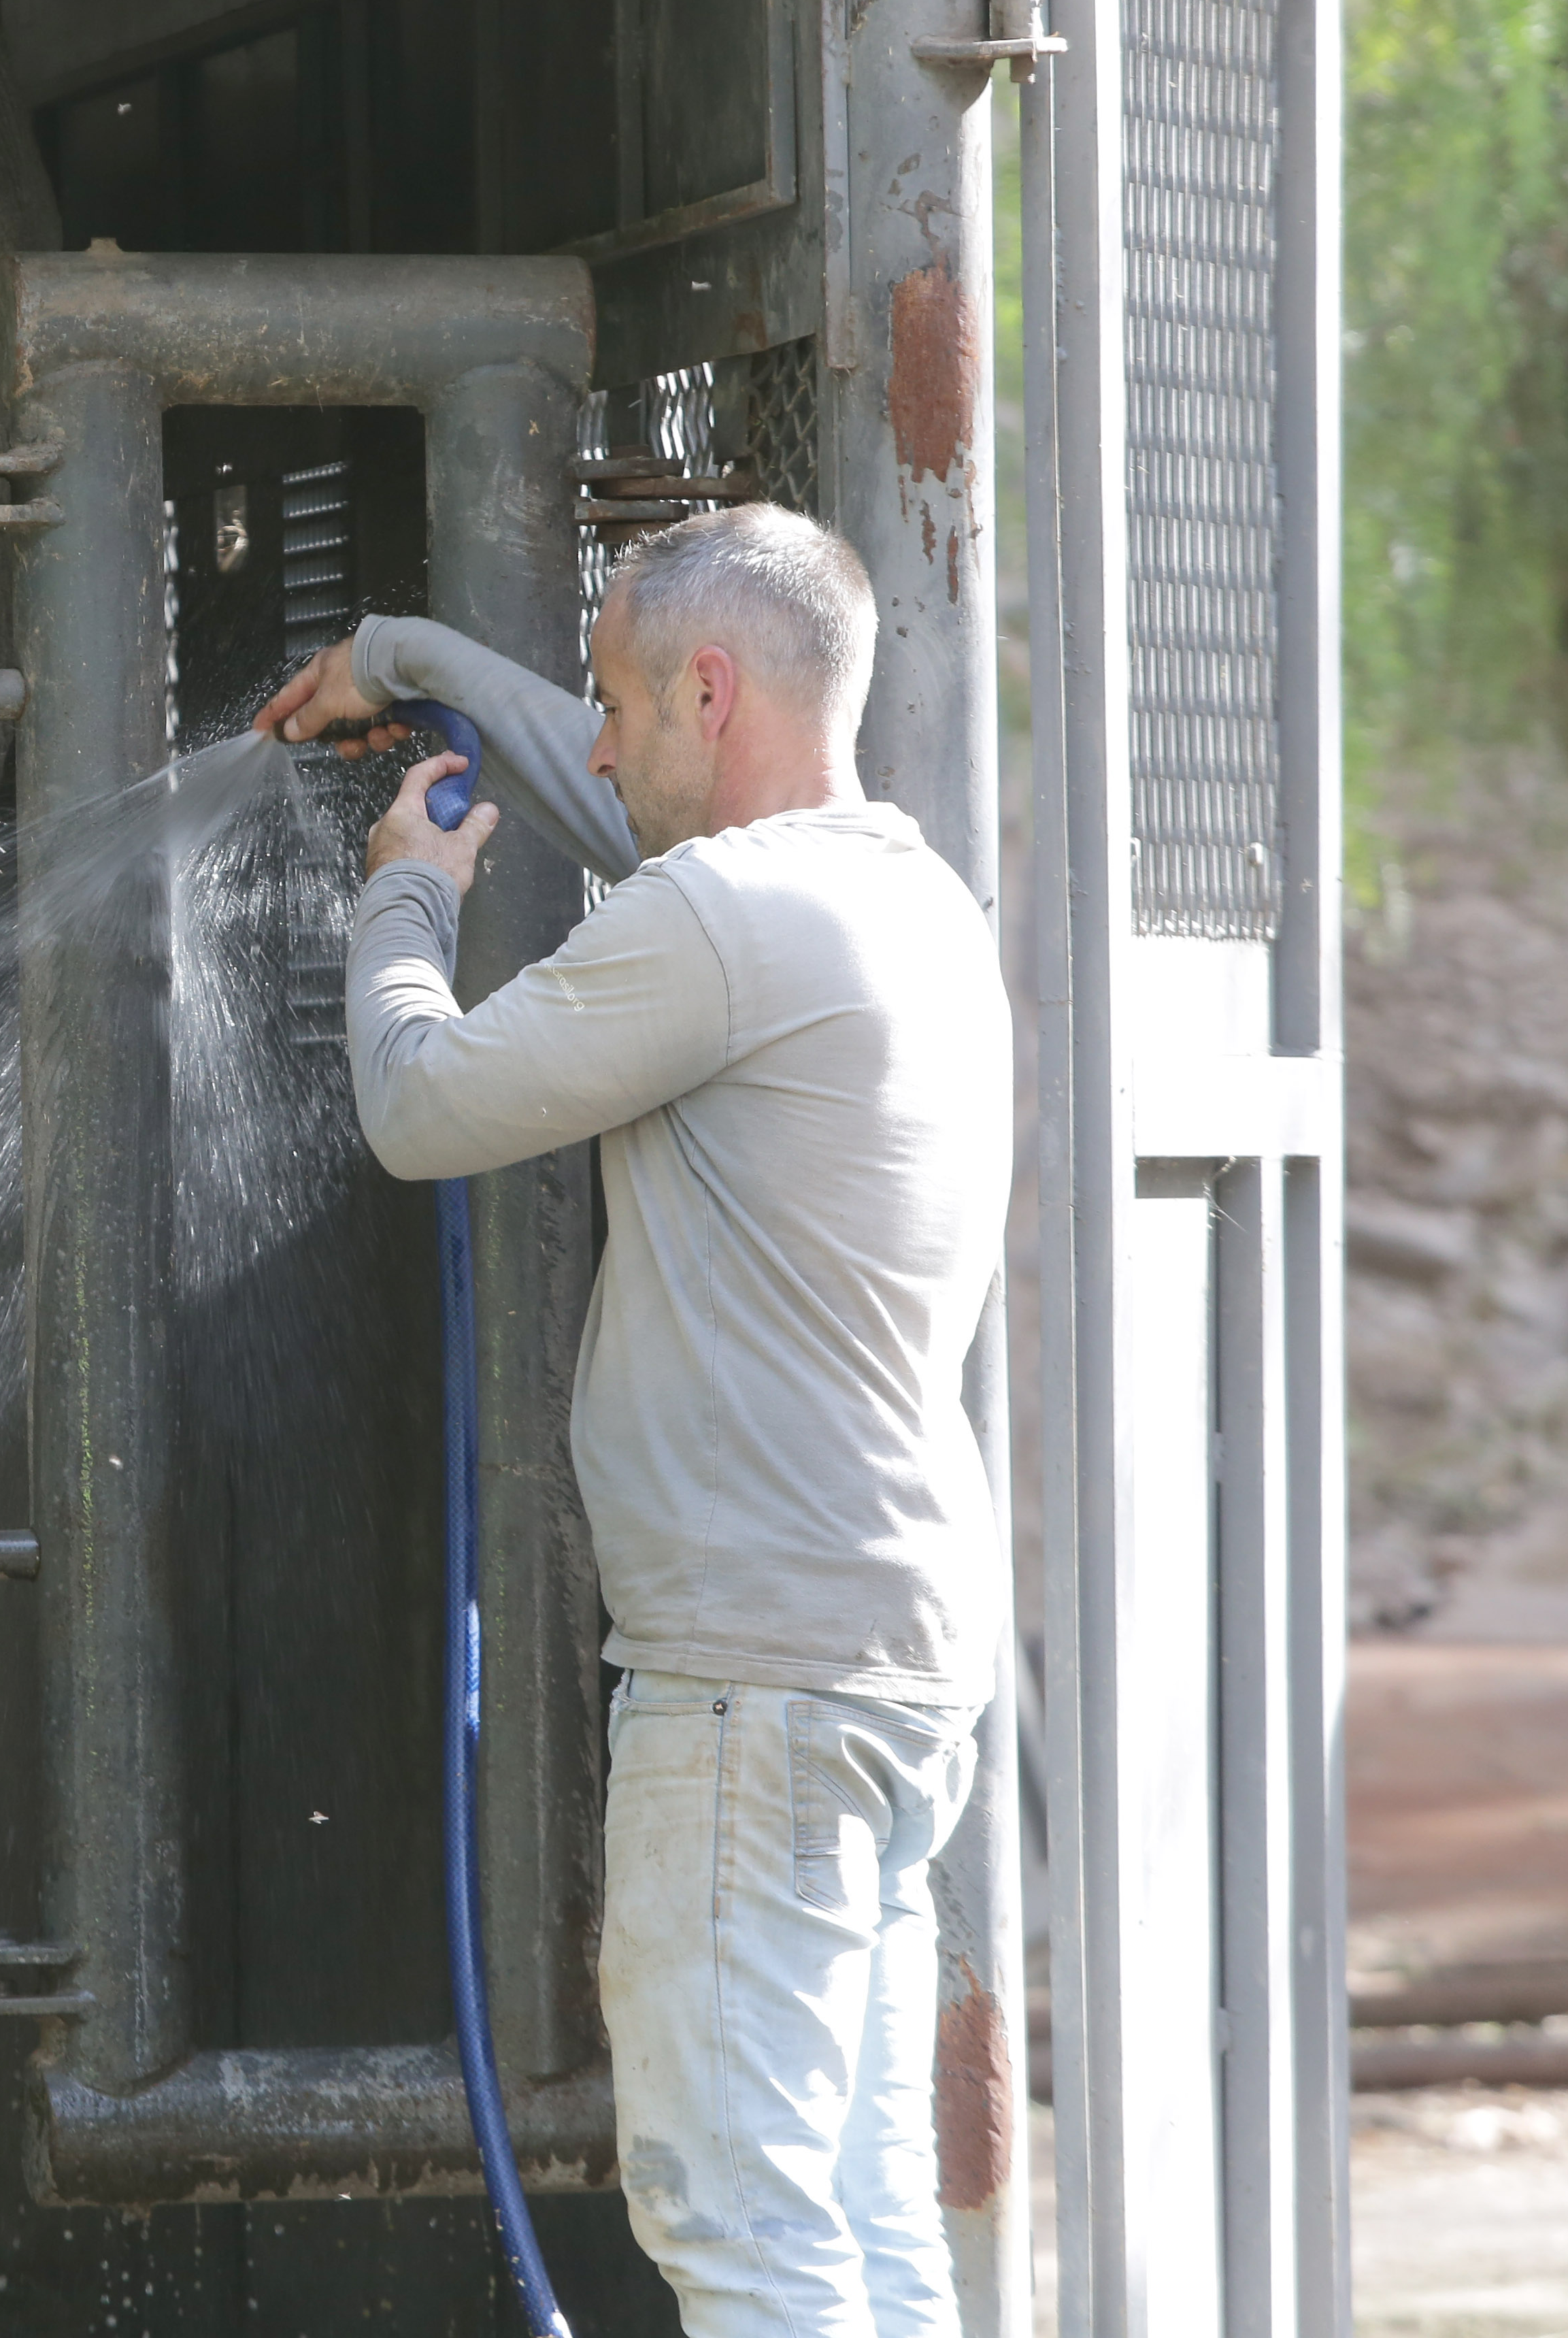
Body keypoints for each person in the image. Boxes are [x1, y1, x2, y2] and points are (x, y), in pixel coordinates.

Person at [255, 506, 1010, 2338]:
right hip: (891, 1661)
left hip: (755, 1686)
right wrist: (416, 662)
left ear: (708, 686)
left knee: (739, 2229)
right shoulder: (892, 897)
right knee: (864, 2220)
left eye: (612, 700)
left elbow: (424, 1104)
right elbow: (631, 835)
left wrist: (406, 899)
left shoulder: (733, 925)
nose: (589, 747)